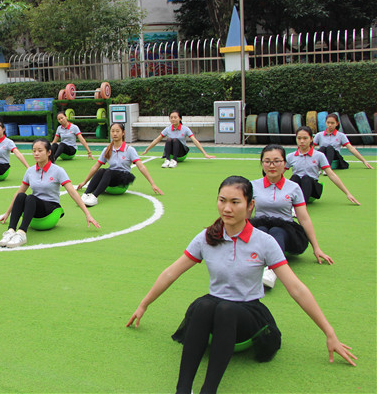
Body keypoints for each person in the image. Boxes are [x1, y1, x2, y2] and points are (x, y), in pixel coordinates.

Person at [126, 176, 356, 394]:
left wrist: (329, 332)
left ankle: (209, 390)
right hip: (214, 310)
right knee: (203, 305)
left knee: (226, 309)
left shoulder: (265, 242)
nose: (227, 208)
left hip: (248, 314)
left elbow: (296, 288)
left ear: (250, 206)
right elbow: (170, 273)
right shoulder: (207, 237)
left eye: (235, 202)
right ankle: (182, 389)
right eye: (222, 200)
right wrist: (144, 304)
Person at [250, 145, 333, 289]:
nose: (272, 165)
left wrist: (316, 248)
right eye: (267, 161)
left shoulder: (293, 187)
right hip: (260, 227)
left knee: (276, 231)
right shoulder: (252, 186)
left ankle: (271, 271)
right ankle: (256, 267)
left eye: (277, 161)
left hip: (286, 230)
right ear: (262, 163)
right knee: (262, 229)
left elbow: (304, 218)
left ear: (284, 163)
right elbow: (244, 216)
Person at [0, 139, 101, 248]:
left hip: (50, 207)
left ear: (49, 152)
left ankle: (22, 233)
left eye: (40, 150)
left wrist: (87, 214)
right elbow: (19, 193)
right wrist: (7, 212)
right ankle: (11, 231)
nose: (36, 153)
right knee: (21, 195)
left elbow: (72, 192)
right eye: (34, 151)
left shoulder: (58, 170)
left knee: (31, 197)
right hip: (34, 206)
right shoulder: (30, 171)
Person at [77, 123, 163, 206]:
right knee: (101, 170)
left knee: (108, 172)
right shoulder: (107, 149)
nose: (115, 133)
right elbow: (96, 166)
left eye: (117, 131)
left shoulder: (129, 150)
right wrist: (84, 182)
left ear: (123, 133)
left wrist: (153, 184)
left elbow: (141, 167)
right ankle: (86, 194)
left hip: (122, 180)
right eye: (112, 131)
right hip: (110, 179)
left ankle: (94, 197)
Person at [286, 126, 360, 205]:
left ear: (311, 139)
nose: (302, 141)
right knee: (295, 177)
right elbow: (279, 173)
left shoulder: (319, 155)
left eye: (305, 138)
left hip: (312, 190)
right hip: (298, 188)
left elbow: (331, 174)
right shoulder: (290, 156)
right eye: (299, 138)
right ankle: (290, 204)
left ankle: (300, 206)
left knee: (306, 178)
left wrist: (347, 193)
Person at [142, 110, 216, 168]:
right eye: (171, 118)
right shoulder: (167, 129)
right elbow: (157, 140)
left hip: (181, 155)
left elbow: (195, 141)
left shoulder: (185, 129)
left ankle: (174, 161)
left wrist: (205, 154)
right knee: (169, 139)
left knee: (175, 140)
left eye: (175, 117)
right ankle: (167, 160)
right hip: (170, 154)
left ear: (180, 118)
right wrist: (146, 150)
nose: (173, 119)